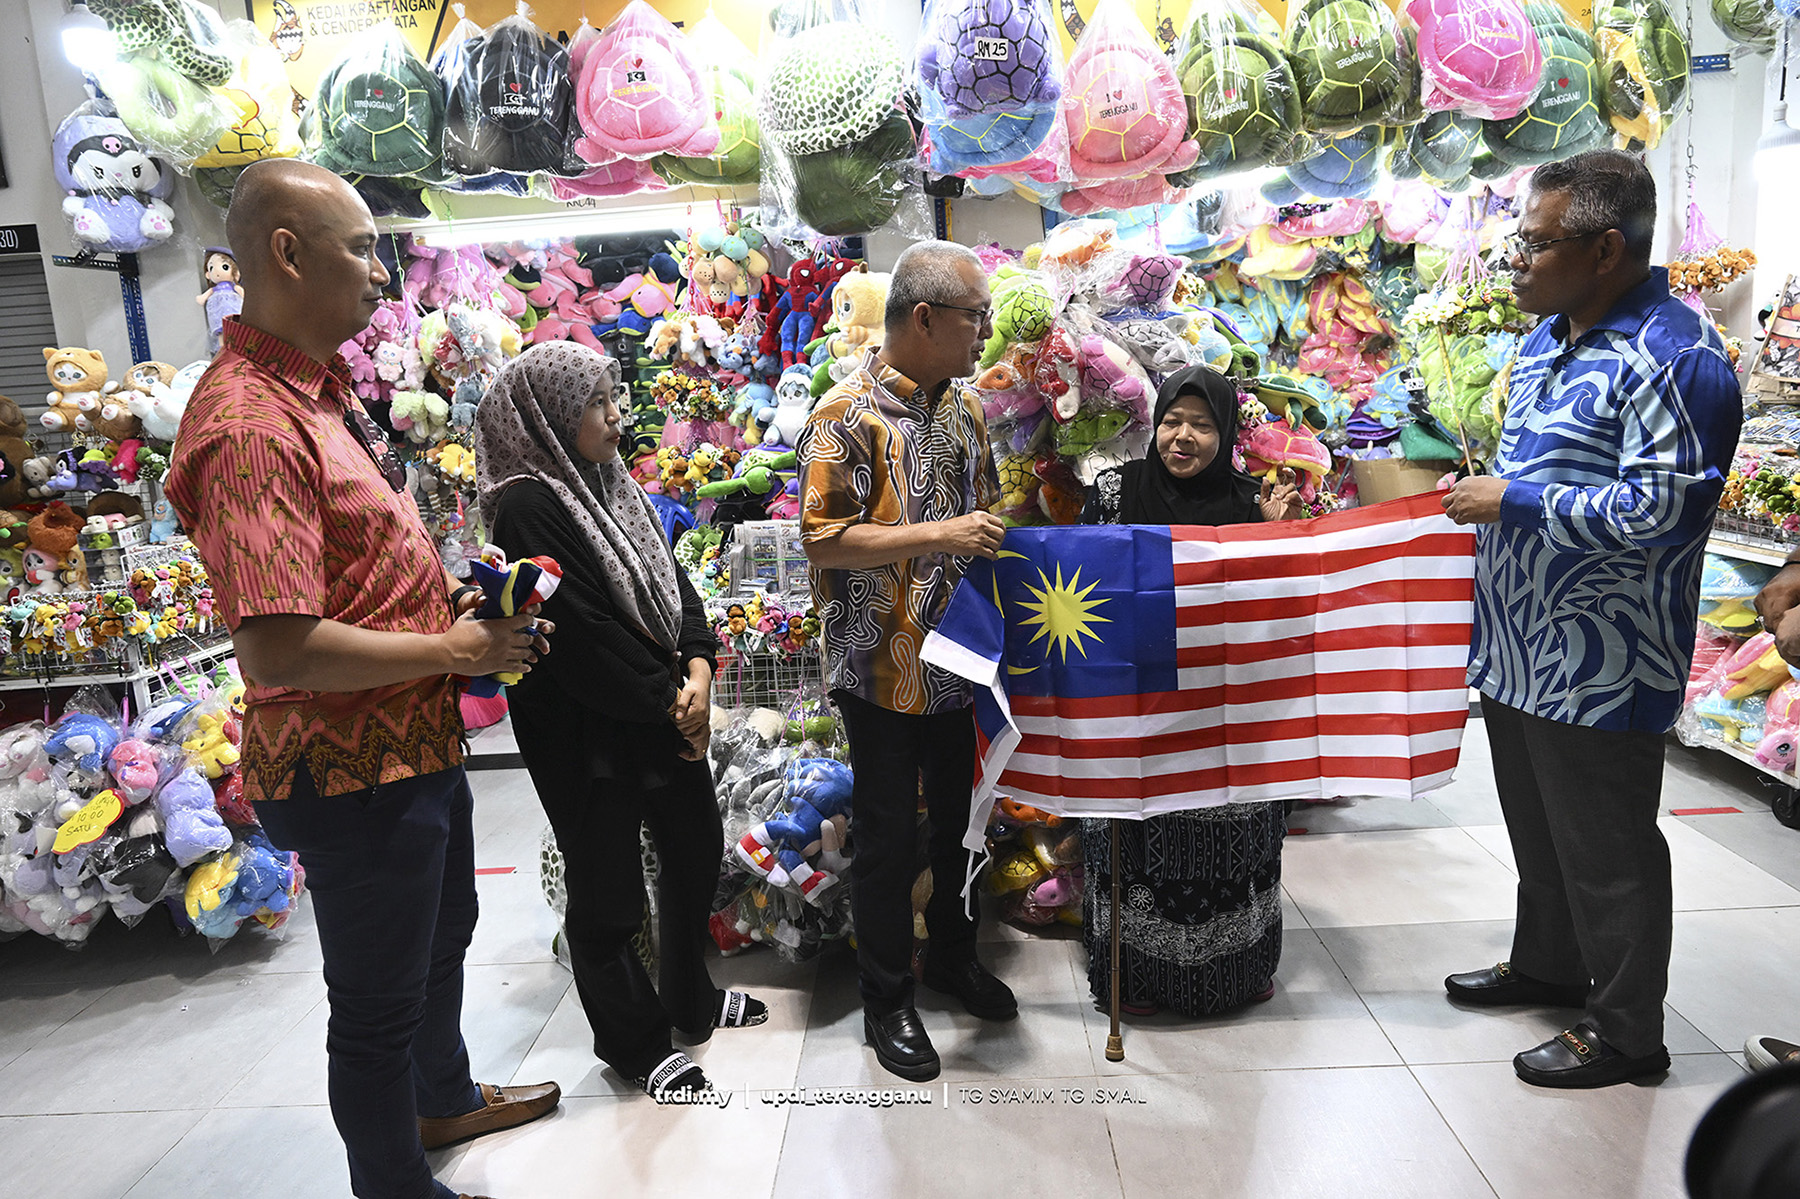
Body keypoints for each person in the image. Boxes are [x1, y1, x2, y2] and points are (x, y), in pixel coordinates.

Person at [165, 158, 559, 1199]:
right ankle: (395, 1183)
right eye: (363, 248)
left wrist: (458, 617)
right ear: (286, 253)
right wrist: (448, 652)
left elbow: (354, 573)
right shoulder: (252, 424)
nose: (384, 275)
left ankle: (445, 1097)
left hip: (410, 741)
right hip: (348, 769)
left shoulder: (321, 395)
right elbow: (278, 647)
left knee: (443, 940)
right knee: (377, 1001)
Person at [1439, 149, 1742, 1089]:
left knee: (1609, 849)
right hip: (1521, 648)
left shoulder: (1678, 358)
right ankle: (1549, 963)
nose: (1516, 262)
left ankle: (1626, 1031)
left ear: (1606, 247)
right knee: (1539, 832)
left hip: (1605, 662)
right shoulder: (1546, 340)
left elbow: (1665, 513)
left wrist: (1513, 503)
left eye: (1534, 244)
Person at [474, 340, 767, 1101]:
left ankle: (690, 1000)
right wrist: (673, 702)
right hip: (588, 729)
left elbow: (675, 584)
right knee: (606, 896)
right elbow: (581, 634)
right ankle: (636, 1045)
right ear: (551, 418)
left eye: (613, 397)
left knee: (696, 848)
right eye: (598, 404)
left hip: (661, 706)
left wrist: (698, 669)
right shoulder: (529, 503)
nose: (616, 415)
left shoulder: (612, 484)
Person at [798, 240, 1012, 1082]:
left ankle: (954, 957)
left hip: (961, 663)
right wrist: (939, 535)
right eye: (975, 318)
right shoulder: (841, 415)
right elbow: (821, 537)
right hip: (878, 670)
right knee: (888, 840)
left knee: (963, 825)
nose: (984, 334)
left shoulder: (965, 409)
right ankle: (887, 998)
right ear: (924, 318)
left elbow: (984, 509)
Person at [1078, 364, 1301, 1017]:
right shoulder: (1114, 492)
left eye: (1202, 425)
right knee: (1135, 847)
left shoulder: (1250, 500)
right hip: (1134, 707)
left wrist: (1272, 536)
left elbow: (1280, 612)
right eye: (1173, 420)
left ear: (1225, 431)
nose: (1183, 436)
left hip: (1224, 717)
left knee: (1230, 845)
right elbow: (1082, 588)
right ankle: (1135, 977)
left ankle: (1238, 970)